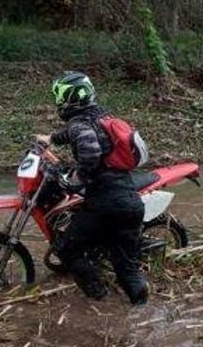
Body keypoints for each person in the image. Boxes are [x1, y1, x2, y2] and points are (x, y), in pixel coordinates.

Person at [35, 71, 149, 304]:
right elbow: (77, 132)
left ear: (68, 98)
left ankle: (99, 298)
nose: (58, 101)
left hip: (105, 202)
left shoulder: (80, 124)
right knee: (127, 269)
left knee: (66, 248)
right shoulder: (102, 116)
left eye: (59, 96)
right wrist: (51, 138)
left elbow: (90, 152)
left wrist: (76, 179)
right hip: (128, 200)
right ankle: (141, 309)